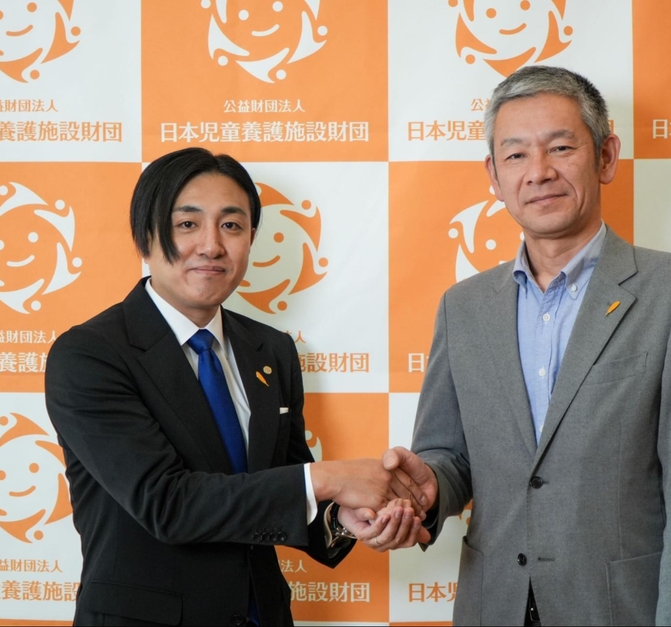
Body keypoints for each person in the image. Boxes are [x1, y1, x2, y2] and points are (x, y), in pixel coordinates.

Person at [359, 66, 671, 625]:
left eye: (561, 147)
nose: (539, 172)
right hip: (494, 606)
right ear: (493, 175)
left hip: (620, 610)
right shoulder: (464, 306)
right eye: (515, 155)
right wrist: (429, 487)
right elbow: (451, 456)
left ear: (606, 156)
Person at [44, 147, 426, 626]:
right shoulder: (90, 354)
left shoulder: (271, 349)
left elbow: (282, 478)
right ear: (145, 235)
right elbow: (167, 504)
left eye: (231, 225)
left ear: (250, 239)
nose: (211, 246)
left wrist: (345, 517)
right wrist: (329, 478)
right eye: (187, 224)